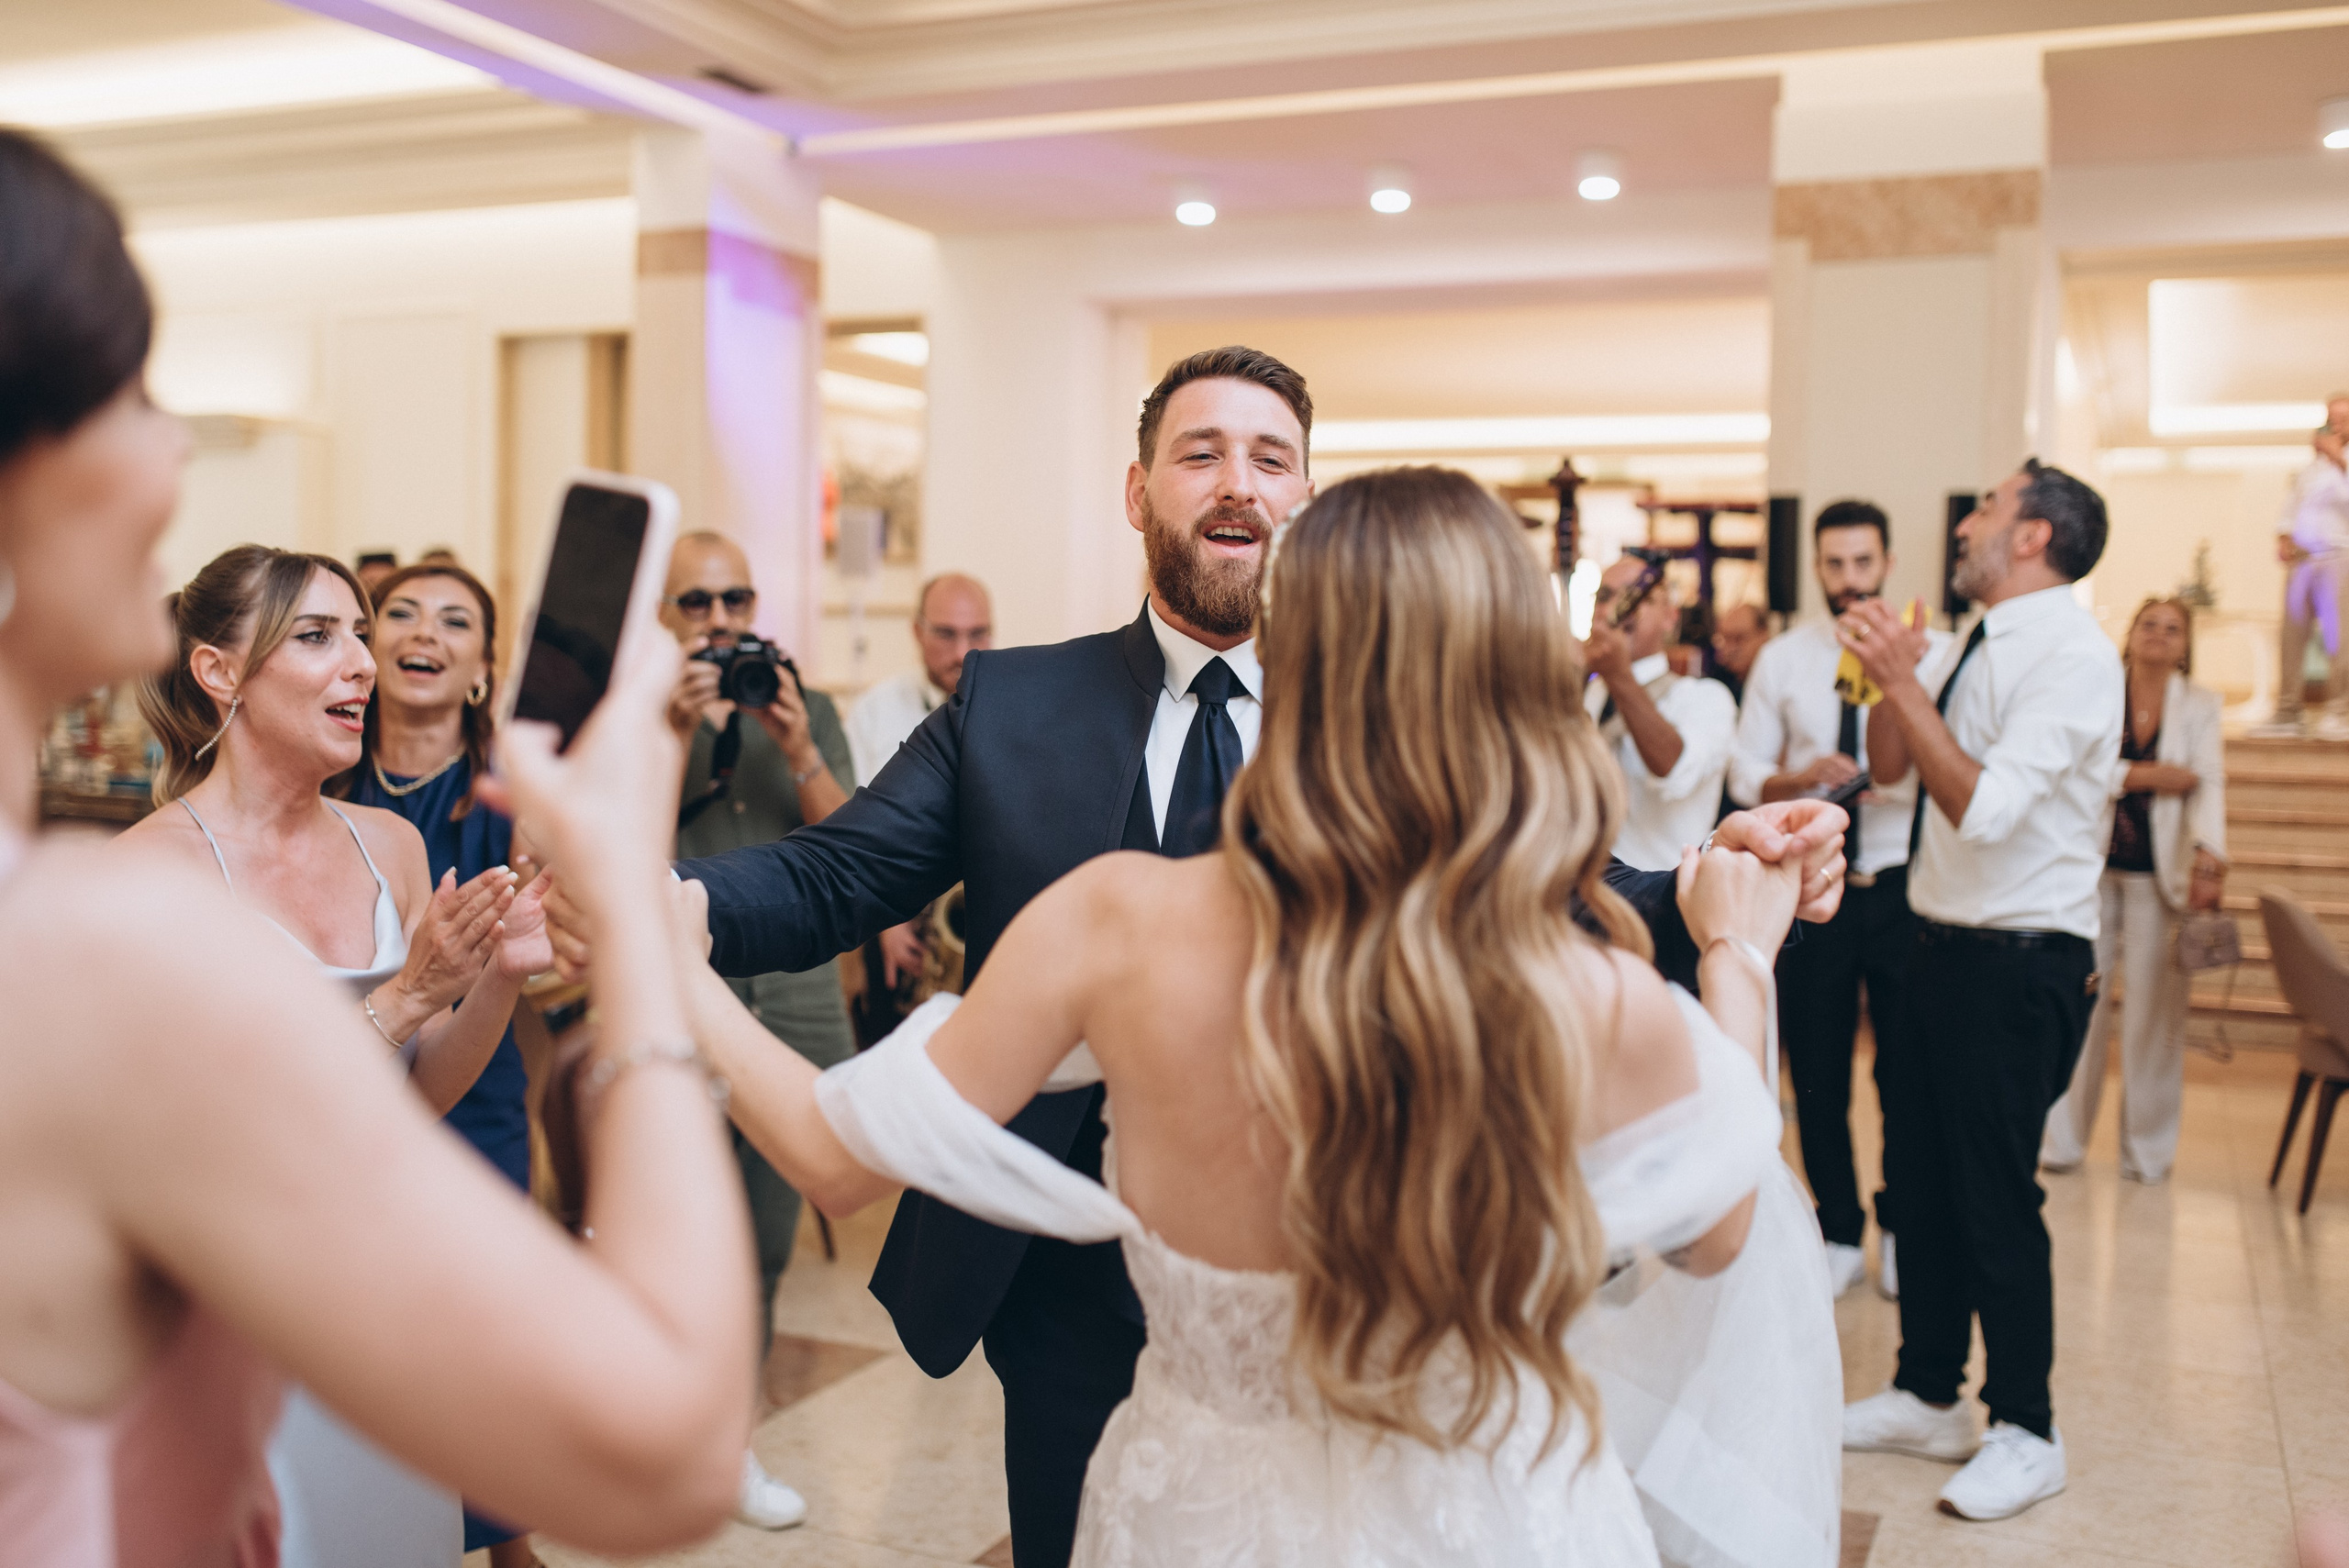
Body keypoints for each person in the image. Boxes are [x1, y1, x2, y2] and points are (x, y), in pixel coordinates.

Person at [548, 346, 1850, 1568]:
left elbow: (1546, 901)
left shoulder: (1128, 911)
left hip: (1368, 1253)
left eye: (1273, 457)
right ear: (1139, 492)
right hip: (1061, 1261)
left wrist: (1695, 882)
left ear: (1310, 518)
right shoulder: (1014, 702)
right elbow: (834, 875)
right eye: (1202, 453)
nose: (1241, 483)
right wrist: (667, 900)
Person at [0, 126, 752, 1564]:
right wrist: (641, 936)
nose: (173, 450)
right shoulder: (106, 941)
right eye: (131, 395)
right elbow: (669, 1452)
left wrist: (468, 980)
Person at [1835, 459, 2122, 1523]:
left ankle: (2026, 1426)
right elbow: (1896, 771)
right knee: (1914, 1175)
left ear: (2036, 535)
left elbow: (1987, 809)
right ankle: (1924, 1390)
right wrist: (1885, 674)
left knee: (1991, 1191)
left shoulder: (2075, 658)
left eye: (1991, 508)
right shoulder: (1969, 641)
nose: (1968, 523)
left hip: (2022, 959)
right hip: (1935, 941)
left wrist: (1905, 681)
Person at [338, 559, 540, 1566]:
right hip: (344, 1089)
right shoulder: (324, 779)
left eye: (455, 620)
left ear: (480, 666)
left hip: (474, 1088)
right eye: (402, 612)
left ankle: (500, 1536)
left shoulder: (509, 792)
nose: (424, 631)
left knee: (481, 1323)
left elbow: (551, 960)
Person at [660, 528, 855, 1531]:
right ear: (663, 615)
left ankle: (728, 1442)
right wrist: (664, 733)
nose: (720, 620)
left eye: (734, 598)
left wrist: (798, 745)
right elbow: (619, 853)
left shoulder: (802, 700)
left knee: (766, 1240)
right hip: (681, 1003)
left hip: (798, 1000)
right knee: (676, 1232)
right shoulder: (641, 716)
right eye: (696, 603)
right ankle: (674, 1435)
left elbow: (859, 851)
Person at [1729, 500, 1952, 1301]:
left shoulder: (1938, 649)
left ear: (1888, 563)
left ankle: (1898, 1222)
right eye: (1834, 565)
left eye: (1863, 563)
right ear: (1817, 567)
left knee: (1905, 1068)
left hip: (1901, 884)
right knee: (1817, 1066)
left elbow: (1941, 770)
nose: (1848, 581)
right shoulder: (1785, 658)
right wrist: (1798, 779)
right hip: (1812, 886)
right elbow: (1744, 770)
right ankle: (1838, 1228)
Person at [2041, 596, 2228, 1184]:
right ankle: (2062, 1142)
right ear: (2131, 632)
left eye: (2173, 629)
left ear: (2185, 645)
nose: (2159, 635)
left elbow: (2206, 781)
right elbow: (2082, 769)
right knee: (2080, 1007)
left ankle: (2146, 1152)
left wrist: (2211, 856)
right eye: (2149, 623)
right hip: (2089, 869)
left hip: (2159, 878)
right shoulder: (2099, 688)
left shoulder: (2200, 706)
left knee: (2154, 1018)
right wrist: (2148, 776)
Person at [846, 571, 994, 1006]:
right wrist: (884, 920)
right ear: (916, 631)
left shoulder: (1020, 707)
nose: (963, 652)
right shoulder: (872, 713)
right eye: (946, 634)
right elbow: (854, 832)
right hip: (897, 923)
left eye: (978, 633)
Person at [1584, 557, 1739, 872]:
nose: (1618, 607)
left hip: (1660, 893)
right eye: (1605, 596)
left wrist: (1619, 675)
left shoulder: (1705, 698)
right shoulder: (1589, 693)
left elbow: (1673, 769)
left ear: (1670, 618)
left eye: (1636, 598)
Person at [2257, 397, 2349, 739]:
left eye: (2343, 418)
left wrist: (2338, 457)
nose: (2335, 423)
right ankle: (2287, 711)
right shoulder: (2309, 470)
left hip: (2339, 557)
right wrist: (2284, 536)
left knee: (2339, 638)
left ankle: (2339, 712)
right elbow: (2291, 506)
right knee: (2291, 637)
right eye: (2331, 417)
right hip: (2303, 561)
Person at [1709, 602, 1771, 705]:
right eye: (1725, 639)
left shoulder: (1776, 682)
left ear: (1763, 636)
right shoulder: (1717, 684)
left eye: (1739, 639)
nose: (1730, 649)